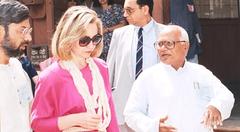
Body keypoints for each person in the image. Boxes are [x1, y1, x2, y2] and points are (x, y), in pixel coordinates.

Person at [124, 25, 235, 132]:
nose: (162, 48)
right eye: (159, 44)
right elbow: (131, 113)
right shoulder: (147, 77)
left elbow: (226, 96)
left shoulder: (200, 72)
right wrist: (153, 126)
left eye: (168, 43)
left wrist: (216, 106)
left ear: (185, 46)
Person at [31, 6, 119, 132]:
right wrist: (76, 120)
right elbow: (38, 124)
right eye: (84, 40)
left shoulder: (101, 67)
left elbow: (110, 114)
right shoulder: (50, 77)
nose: (91, 45)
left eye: (96, 39)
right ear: (69, 38)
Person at [106, 0, 165, 131]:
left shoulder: (166, 33)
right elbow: (109, 71)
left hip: (156, 107)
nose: (125, 14)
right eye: (124, 10)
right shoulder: (119, 34)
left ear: (145, 10)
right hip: (123, 105)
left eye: (129, 10)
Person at [0, 1, 33, 131]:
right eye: (22, 30)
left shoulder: (18, 67)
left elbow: (29, 109)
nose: (29, 38)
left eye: (29, 31)